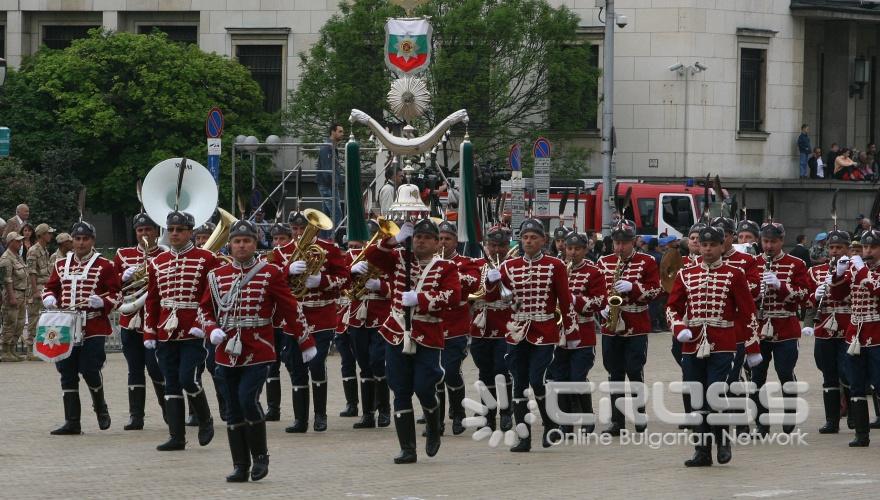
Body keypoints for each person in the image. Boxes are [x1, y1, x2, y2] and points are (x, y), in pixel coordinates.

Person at [198, 219, 315, 482]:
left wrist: (305, 341)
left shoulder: (270, 272)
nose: (241, 246)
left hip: (258, 347)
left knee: (247, 399)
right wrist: (211, 329)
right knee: (232, 407)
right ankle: (240, 465)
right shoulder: (216, 276)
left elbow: (289, 307)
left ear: (255, 243)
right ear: (230, 245)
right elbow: (204, 309)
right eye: (237, 241)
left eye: (247, 241)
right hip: (226, 349)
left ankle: (260, 457)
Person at [363, 218, 461, 464]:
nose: (421, 241)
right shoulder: (399, 258)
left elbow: (453, 296)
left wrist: (421, 299)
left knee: (424, 387)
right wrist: (394, 240)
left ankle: (433, 423)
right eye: (417, 237)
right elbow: (371, 256)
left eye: (427, 238)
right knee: (401, 390)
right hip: (396, 332)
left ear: (437, 243)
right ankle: (407, 448)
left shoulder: (446, 267)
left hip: (427, 333)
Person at [667, 225, 759, 467]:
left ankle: (723, 440)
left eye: (713, 245)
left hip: (724, 342)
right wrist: (679, 327)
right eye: (704, 245)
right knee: (697, 396)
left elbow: (748, 312)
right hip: (693, 342)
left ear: (722, 246)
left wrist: (752, 348)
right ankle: (702, 450)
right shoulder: (686, 274)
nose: (707, 249)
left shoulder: (734, 274)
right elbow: (672, 307)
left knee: (716, 393)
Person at [486, 218, 574, 451]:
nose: (528, 241)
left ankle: (550, 425)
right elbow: (495, 298)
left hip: (544, 330)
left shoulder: (555, 265)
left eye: (533, 237)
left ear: (543, 240)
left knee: (537, 380)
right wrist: (491, 282)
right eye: (525, 237)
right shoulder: (508, 266)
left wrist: (570, 330)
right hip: (517, 331)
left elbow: (565, 300)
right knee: (519, 384)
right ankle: (523, 437)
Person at [143, 210, 219, 451]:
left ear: (190, 232)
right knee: (171, 383)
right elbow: (152, 300)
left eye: (180, 230)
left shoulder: (207, 258)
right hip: (166, 330)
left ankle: (205, 418)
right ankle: (176, 436)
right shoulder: (157, 261)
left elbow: (211, 296)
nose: (174, 234)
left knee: (188, 378)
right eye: (171, 230)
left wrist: (202, 324)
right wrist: (149, 331)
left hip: (192, 330)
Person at [274, 210, 350, 433]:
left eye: (303, 228)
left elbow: (345, 278)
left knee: (316, 365)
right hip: (294, 319)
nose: (299, 233)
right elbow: (272, 281)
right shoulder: (281, 252)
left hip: (321, 316)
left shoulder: (329, 249)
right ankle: (300, 420)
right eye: (295, 229)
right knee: (296, 368)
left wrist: (322, 280)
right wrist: (287, 270)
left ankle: (320, 415)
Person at [41, 221, 121, 434]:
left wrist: (102, 302)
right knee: (66, 372)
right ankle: (72, 422)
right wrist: (48, 298)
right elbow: (50, 288)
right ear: (72, 241)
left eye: (85, 239)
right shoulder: (60, 264)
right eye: (77, 239)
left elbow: (117, 295)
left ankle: (100, 407)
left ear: (92, 240)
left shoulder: (105, 265)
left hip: (93, 326)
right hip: (65, 327)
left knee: (89, 369)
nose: (81, 243)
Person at [596, 219, 662, 436]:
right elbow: (597, 290)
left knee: (634, 370)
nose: (619, 247)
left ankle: (639, 415)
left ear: (633, 241)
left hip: (636, 324)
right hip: (611, 325)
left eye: (624, 243)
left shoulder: (647, 261)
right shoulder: (603, 262)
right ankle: (617, 421)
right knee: (614, 373)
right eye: (616, 243)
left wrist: (633, 287)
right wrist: (603, 307)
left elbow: (655, 291)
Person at [752, 221, 809, 436]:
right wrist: (756, 293)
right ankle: (762, 421)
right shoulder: (753, 263)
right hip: (759, 327)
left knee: (785, 372)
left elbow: (804, 295)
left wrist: (780, 285)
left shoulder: (796, 264)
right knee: (757, 376)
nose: (768, 246)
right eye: (765, 241)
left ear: (782, 241)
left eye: (773, 242)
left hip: (785, 326)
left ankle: (790, 412)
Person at [550, 231, 606, 434]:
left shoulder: (593, 272)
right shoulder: (556, 268)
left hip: (582, 331)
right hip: (559, 331)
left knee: (577, 377)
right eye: (569, 248)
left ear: (585, 249)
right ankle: (566, 422)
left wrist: (575, 299)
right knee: (560, 378)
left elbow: (600, 301)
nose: (573, 252)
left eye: (577, 249)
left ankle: (587, 416)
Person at [114, 214, 165, 430]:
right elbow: (111, 285)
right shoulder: (123, 254)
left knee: (155, 367)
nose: (144, 234)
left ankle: (169, 410)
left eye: (148, 230)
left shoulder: (164, 255)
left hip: (155, 320)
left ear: (156, 231)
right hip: (130, 319)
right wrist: (122, 277)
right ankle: (136, 416)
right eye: (140, 230)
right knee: (134, 368)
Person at [831, 228, 880, 446]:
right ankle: (861, 434)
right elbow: (838, 295)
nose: (867, 251)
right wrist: (839, 275)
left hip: (877, 332)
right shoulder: (856, 268)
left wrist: (861, 271)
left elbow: (876, 289)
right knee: (855, 383)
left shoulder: (863, 269)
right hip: (856, 333)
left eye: (873, 247)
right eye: (865, 247)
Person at [803, 229, 851, 434]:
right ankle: (832, 420)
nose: (835, 251)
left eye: (840, 247)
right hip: (824, 328)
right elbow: (806, 301)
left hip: (847, 328)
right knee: (828, 374)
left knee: (848, 373)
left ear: (848, 249)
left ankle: (854, 415)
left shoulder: (856, 270)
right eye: (832, 247)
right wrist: (815, 295)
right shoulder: (815, 272)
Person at [435, 221, 480, 435]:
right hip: (432, 325)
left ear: (456, 241)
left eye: (448, 239)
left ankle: (459, 412)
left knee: (451, 371)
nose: (443, 243)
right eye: (440, 239)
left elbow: (473, 282)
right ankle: (436, 421)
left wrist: (447, 272)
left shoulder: (465, 263)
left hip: (455, 326)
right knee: (434, 374)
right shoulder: (427, 263)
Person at [346, 220, 393, 429]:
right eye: (370, 236)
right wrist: (351, 271)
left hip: (380, 316)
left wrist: (380, 285)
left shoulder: (391, 257)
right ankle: (367, 414)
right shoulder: (352, 256)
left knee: (378, 362)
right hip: (358, 316)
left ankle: (384, 410)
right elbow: (341, 283)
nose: (372, 240)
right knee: (364, 365)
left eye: (376, 236)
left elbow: (398, 285)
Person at [469, 226, 514, 431]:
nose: (497, 250)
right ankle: (487, 414)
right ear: (486, 246)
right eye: (493, 245)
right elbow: (472, 291)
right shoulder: (477, 265)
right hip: (481, 326)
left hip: (505, 325)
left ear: (508, 246)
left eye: (501, 245)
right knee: (484, 372)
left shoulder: (514, 266)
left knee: (501, 370)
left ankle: (505, 412)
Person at [262, 222, 294, 421]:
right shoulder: (267, 259)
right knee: (270, 366)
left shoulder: (297, 257)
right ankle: (273, 409)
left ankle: (298, 408)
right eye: (275, 239)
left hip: (288, 320)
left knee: (291, 363)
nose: (278, 242)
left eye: (282, 238)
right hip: (271, 320)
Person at [23, 223, 56, 361]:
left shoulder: (44, 250)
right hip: (36, 289)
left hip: (44, 287)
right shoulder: (33, 250)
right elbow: (31, 272)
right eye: (48, 233)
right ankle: (30, 350)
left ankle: (45, 347)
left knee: (47, 317)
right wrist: (35, 290)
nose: (50, 235)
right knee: (33, 319)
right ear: (41, 235)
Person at [1, 232, 29, 362]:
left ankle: (12, 349)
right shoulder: (6, 258)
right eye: (18, 241)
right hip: (13, 294)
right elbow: (6, 280)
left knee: (20, 323)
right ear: (10, 242)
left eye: (21, 240)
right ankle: (5, 351)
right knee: (10, 323)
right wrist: (11, 297)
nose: (20, 243)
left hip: (21, 294)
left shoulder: (17, 257)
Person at [317, 123, 346, 232]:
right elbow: (327, 169)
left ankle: (325, 237)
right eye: (340, 131)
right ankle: (333, 238)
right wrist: (335, 182)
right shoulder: (327, 147)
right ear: (333, 132)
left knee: (326, 214)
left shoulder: (330, 147)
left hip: (328, 184)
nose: (342, 134)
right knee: (336, 214)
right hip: (328, 185)